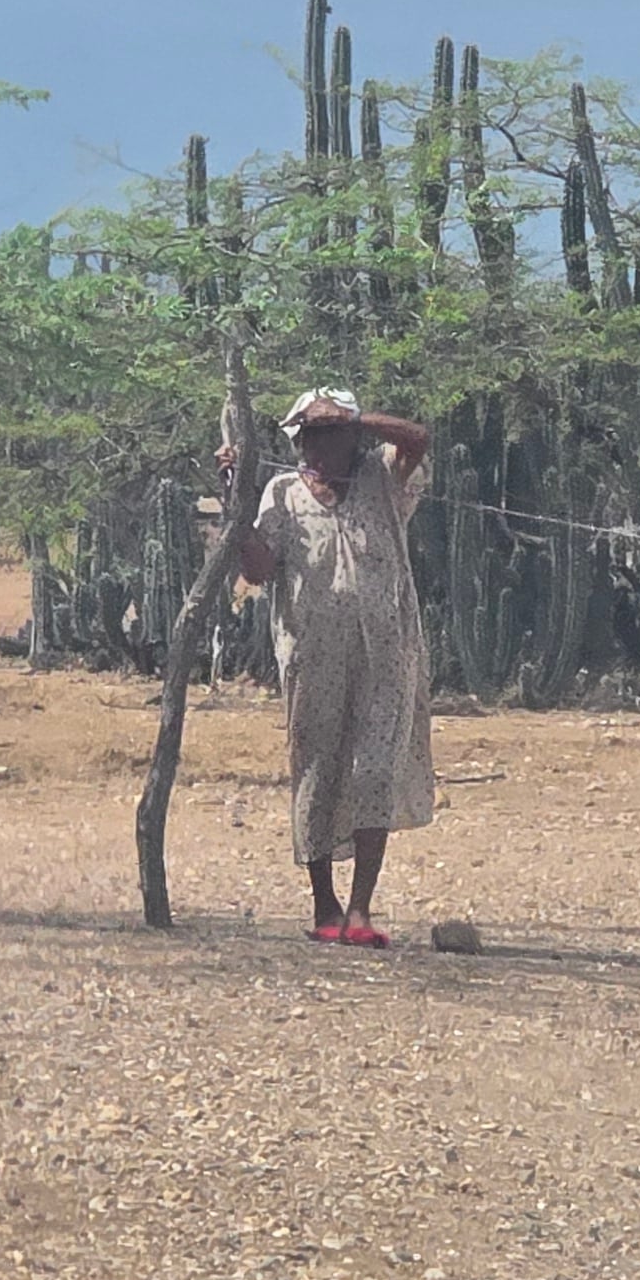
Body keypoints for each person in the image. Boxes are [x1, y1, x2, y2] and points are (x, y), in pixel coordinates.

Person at [233, 386, 437, 946]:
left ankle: (361, 910)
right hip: (311, 656)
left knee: (374, 771)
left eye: (328, 434)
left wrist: (352, 415)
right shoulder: (281, 493)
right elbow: (257, 570)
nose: (315, 447)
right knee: (317, 773)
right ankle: (324, 904)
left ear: (352, 437)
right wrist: (236, 498)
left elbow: (418, 438)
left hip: (387, 651)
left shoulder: (382, 480)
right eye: (307, 435)